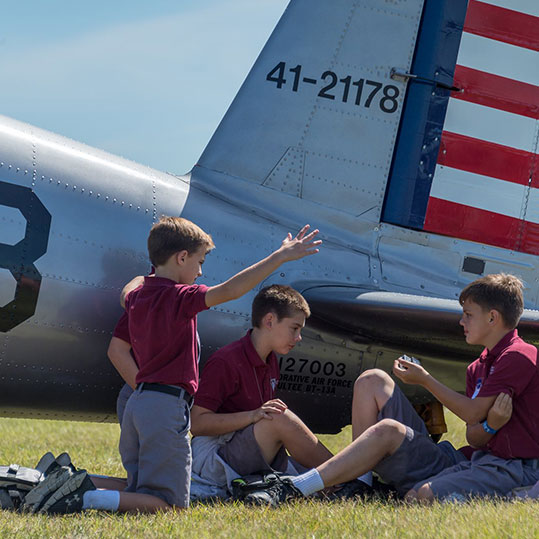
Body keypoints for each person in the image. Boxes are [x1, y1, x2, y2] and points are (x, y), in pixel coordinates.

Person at [27, 217, 321, 514]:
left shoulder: (138, 297)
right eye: (200, 261)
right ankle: (82, 499)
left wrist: (145, 278)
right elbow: (231, 290)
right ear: (182, 257)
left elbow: (127, 292)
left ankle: (61, 479)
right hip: (165, 406)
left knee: (138, 489)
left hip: (136, 403)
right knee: (170, 505)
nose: (201, 271)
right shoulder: (180, 297)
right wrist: (280, 256)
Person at [245, 273, 539, 504]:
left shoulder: (518, 355)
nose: (461, 321)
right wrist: (491, 427)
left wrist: (425, 379)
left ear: (493, 318)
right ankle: (359, 484)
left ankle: (294, 487)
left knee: (416, 493)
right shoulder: (478, 366)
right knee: (372, 379)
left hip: (512, 467)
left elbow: (473, 411)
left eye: (469, 314)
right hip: (468, 458)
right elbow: (474, 436)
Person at [190, 285, 333, 498]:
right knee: (277, 416)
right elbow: (197, 424)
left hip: (244, 449)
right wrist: (252, 416)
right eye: (294, 328)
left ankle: (340, 477)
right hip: (214, 458)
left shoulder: (271, 359)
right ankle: (345, 475)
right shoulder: (226, 361)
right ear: (269, 321)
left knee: (278, 418)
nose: (299, 337)